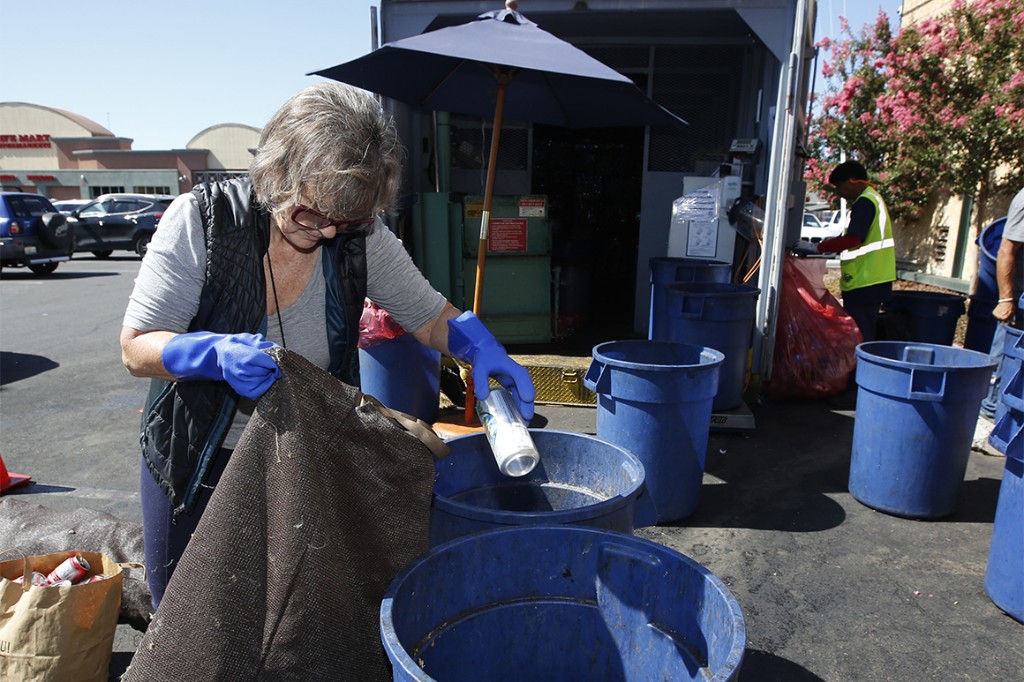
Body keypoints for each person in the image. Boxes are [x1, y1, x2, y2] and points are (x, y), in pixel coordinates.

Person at [120, 82, 535, 610]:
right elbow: (136, 349)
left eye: (345, 221)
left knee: (296, 615)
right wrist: (209, 354)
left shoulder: (358, 236)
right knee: (189, 617)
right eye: (309, 214)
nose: (325, 233)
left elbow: (429, 317)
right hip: (198, 459)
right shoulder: (202, 223)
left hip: (306, 457)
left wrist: (480, 347)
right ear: (275, 174)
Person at [815, 160, 896, 406]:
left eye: (839, 186)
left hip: (866, 280)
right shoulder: (873, 199)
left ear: (852, 181)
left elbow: (854, 238)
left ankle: (859, 390)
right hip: (873, 279)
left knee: (861, 336)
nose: (839, 193)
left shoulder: (864, 203)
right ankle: (862, 386)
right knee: (863, 333)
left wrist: (819, 247)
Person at [978, 186, 1024, 426]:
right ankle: (990, 416)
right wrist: (1006, 299)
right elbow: (1006, 250)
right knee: (1008, 354)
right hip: (1020, 300)